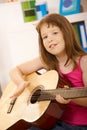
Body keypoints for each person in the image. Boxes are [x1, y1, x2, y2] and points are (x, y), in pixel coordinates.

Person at [9, 13, 87, 130]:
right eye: (44, 37)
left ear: (67, 33)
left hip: (80, 124)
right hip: (54, 119)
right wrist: (20, 83)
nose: (49, 39)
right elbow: (15, 70)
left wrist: (71, 98)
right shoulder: (47, 61)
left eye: (55, 33)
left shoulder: (84, 61)